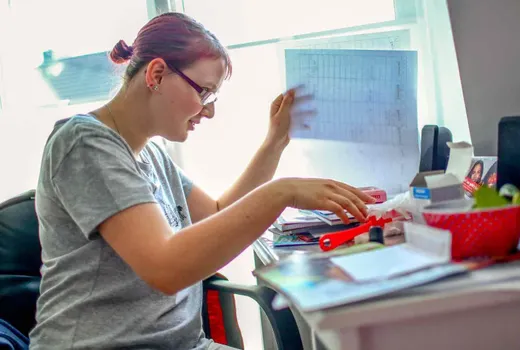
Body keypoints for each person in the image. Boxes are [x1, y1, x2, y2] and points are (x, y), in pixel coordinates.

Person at [28, 12, 374, 350]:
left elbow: (217, 213)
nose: (208, 111)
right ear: (157, 74)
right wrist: (282, 192)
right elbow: (166, 268)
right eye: (204, 92)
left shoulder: (151, 154)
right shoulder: (84, 144)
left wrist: (275, 143)